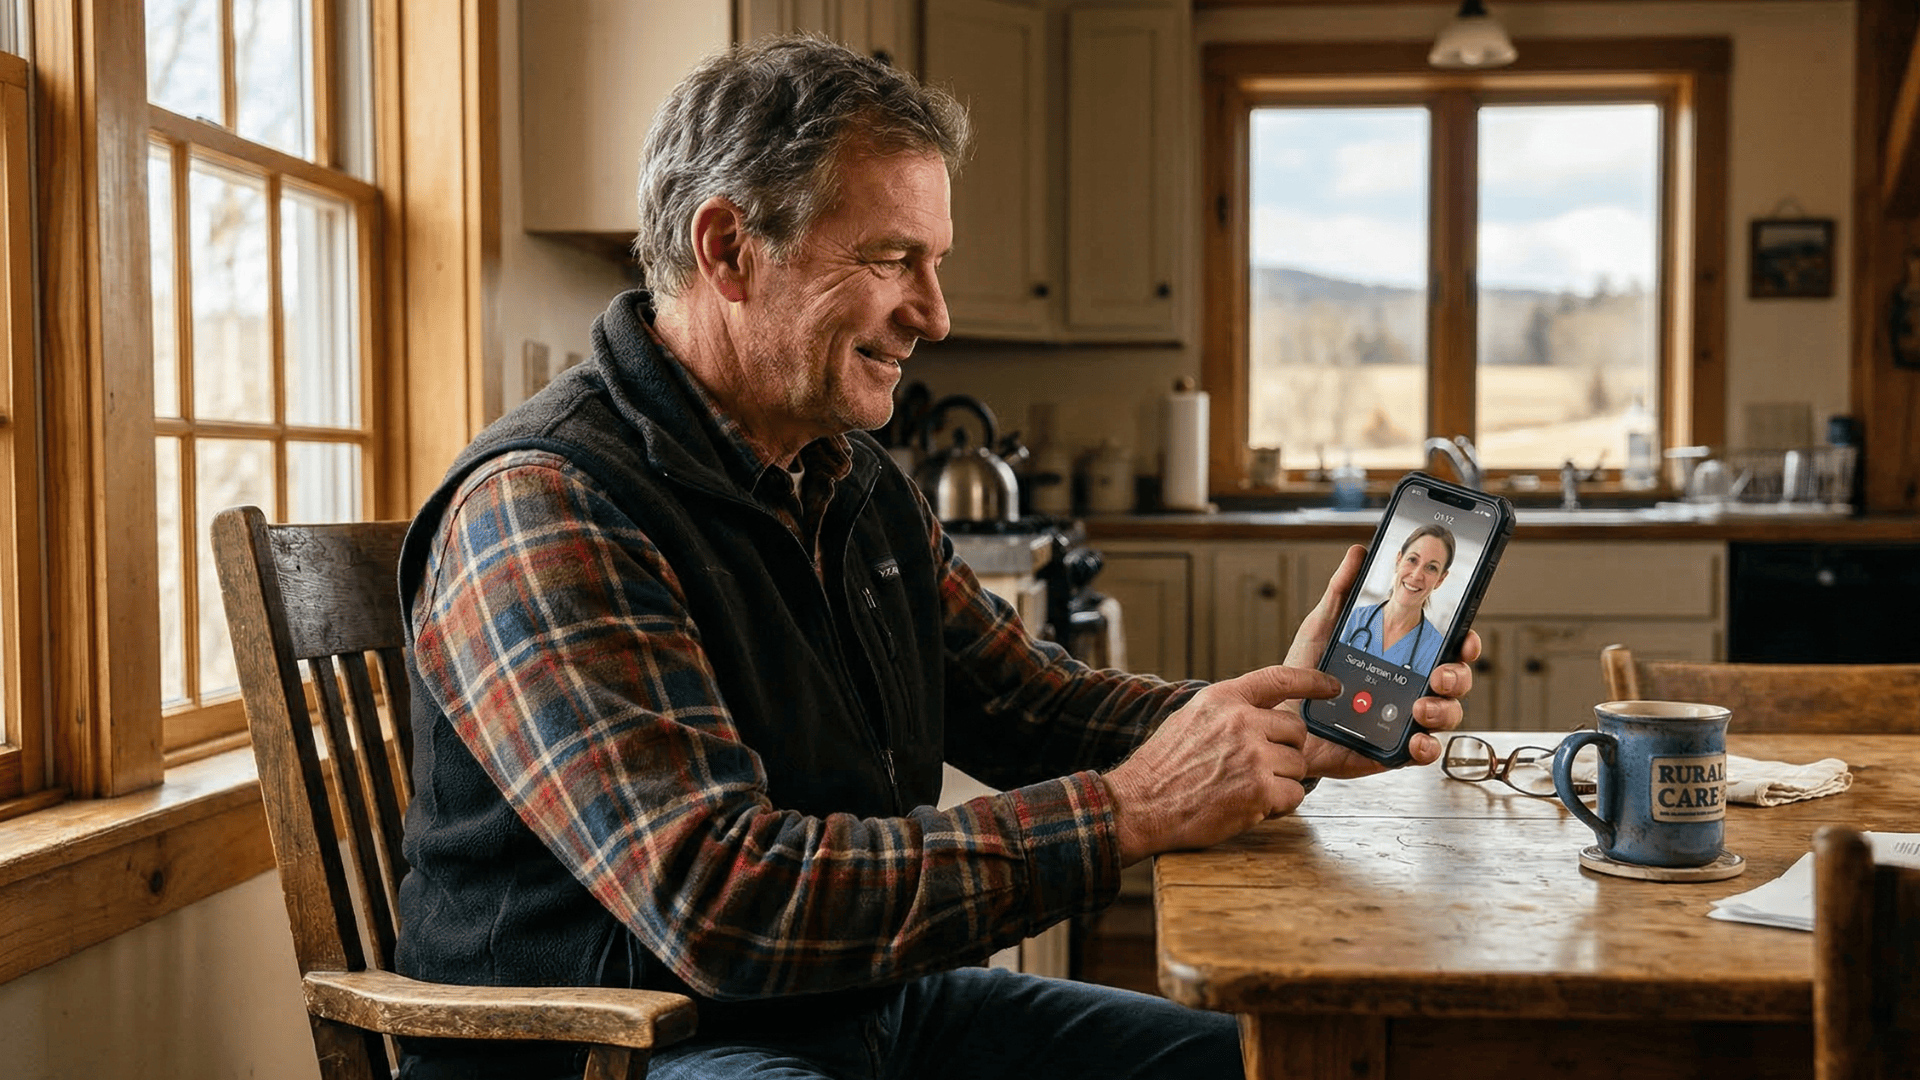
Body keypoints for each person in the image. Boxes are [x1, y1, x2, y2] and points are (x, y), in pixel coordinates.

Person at [392, 35, 1479, 1080]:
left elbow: (1028, 708)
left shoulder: (851, 479)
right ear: (728, 250)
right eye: (891, 259)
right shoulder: (546, 507)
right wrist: (1131, 811)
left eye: (937, 262)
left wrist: (1284, 716)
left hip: (858, 1011)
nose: (937, 314)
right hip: (627, 1050)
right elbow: (721, 904)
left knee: (1291, 1064)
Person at [1339, 524, 1456, 676]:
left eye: (1431, 568)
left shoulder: (1435, 647)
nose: (1416, 575)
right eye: (1413, 559)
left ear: (1440, 579)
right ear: (1399, 560)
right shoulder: (1356, 618)